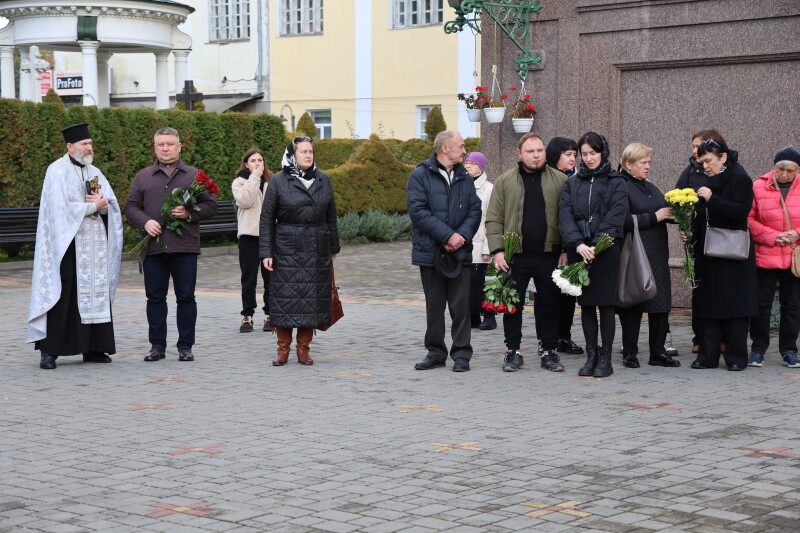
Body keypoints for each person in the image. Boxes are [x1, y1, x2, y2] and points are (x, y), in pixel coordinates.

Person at [28, 123, 124, 370]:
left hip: (94, 247)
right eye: (84, 144)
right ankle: (49, 351)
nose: (89, 147)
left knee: (96, 290)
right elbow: (59, 208)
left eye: (90, 143)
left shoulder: (95, 172)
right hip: (66, 246)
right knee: (64, 294)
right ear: (70, 147)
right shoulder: (56, 171)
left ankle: (93, 348)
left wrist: (103, 204)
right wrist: (92, 207)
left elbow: (110, 203)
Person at [125, 127, 218, 362]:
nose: (165, 148)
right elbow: (131, 207)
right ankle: (157, 346)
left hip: (184, 247)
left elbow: (211, 206)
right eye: (160, 145)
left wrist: (189, 213)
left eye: (169, 144)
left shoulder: (194, 176)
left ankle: (185, 346)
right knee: (155, 298)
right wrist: (145, 223)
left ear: (179, 147)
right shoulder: (143, 176)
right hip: (154, 248)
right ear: (155, 147)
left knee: (186, 297)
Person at [486, 133, 569, 373]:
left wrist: (565, 249)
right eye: (530, 151)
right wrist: (498, 251)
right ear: (519, 154)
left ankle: (549, 352)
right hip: (515, 256)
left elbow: (568, 218)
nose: (536, 155)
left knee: (549, 305)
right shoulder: (504, 181)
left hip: (550, 255)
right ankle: (513, 352)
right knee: (512, 305)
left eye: (540, 150)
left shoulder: (561, 180)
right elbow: (493, 219)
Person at [259, 135, 340, 366]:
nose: (308, 155)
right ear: (292, 155)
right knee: (285, 299)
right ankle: (282, 349)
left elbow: (331, 216)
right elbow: (266, 219)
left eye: (310, 151)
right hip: (286, 247)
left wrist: (333, 247)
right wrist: (266, 252)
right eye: (303, 151)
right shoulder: (278, 181)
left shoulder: (323, 180)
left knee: (311, 299)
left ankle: (303, 349)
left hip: (317, 246)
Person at [407, 131, 482, 372]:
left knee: (461, 306)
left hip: (459, 252)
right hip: (431, 252)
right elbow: (418, 212)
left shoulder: (465, 177)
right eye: (461, 146)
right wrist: (447, 236)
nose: (464, 151)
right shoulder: (419, 175)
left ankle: (461, 354)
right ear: (446, 148)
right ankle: (435, 352)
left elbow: (475, 210)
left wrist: (460, 237)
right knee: (434, 306)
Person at [558, 132, 628, 378]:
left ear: (603, 152)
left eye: (593, 153)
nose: (588, 159)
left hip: (606, 250)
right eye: (584, 154)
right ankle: (591, 356)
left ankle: (605, 359)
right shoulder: (572, 183)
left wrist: (596, 245)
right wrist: (577, 244)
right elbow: (564, 217)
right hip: (580, 250)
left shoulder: (617, 181)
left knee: (606, 305)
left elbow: (616, 216)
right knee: (586, 305)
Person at [687, 136, 756, 371]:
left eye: (709, 161)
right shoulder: (705, 180)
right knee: (708, 304)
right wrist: (691, 233)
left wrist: (713, 199)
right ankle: (707, 356)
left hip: (734, 252)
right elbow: (701, 215)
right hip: (709, 251)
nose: (705, 166)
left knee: (735, 305)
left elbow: (741, 212)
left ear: (723, 157)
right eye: (702, 162)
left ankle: (736, 358)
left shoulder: (740, 179)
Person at [616, 143, 680, 369]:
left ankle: (658, 352)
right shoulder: (620, 185)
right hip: (635, 254)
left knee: (661, 304)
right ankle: (630, 353)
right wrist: (655, 217)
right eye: (643, 163)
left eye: (649, 162)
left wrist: (682, 214)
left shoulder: (649, 186)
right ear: (628, 164)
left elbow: (665, 211)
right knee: (634, 304)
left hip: (657, 254)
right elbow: (621, 220)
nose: (648, 167)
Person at [747, 146, 800, 368]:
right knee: (761, 305)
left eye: (790, 170)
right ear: (774, 166)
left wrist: (797, 233)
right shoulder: (758, 186)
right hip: (766, 254)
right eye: (781, 169)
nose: (785, 174)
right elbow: (748, 219)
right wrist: (773, 236)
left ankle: (789, 350)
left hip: (793, 257)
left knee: (792, 305)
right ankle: (758, 349)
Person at [676, 129, 723, 355]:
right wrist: (685, 228)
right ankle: (700, 336)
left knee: (720, 288)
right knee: (699, 287)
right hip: (697, 238)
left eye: (699, 146)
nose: (695, 151)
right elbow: (678, 201)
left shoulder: (725, 170)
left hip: (721, 237)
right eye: (693, 146)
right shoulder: (690, 172)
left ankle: (721, 337)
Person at [545, 136, 584, 356]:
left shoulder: (576, 178)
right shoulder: (547, 178)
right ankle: (548, 337)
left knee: (568, 294)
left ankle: (564, 337)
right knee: (549, 296)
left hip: (571, 246)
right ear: (555, 155)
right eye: (568, 154)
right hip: (550, 245)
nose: (573, 159)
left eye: (574, 155)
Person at [232, 148, 274, 333]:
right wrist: (254, 179)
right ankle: (247, 316)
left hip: (269, 237)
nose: (257, 163)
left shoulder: (272, 182)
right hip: (249, 236)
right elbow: (246, 201)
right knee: (248, 279)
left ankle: (270, 314)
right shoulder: (239, 183)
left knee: (271, 279)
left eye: (260, 160)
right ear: (246, 164)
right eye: (253, 161)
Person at [463, 151, 496, 331]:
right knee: (467, 282)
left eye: (472, 163)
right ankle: (472, 316)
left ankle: (489, 316)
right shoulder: (461, 186)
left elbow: (491, 219)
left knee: (483, 282)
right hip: (465, 242)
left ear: (481, 167)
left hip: (480, 242)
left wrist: (488, 247)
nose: (468, 166)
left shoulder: (490, 189)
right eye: (466, 162)